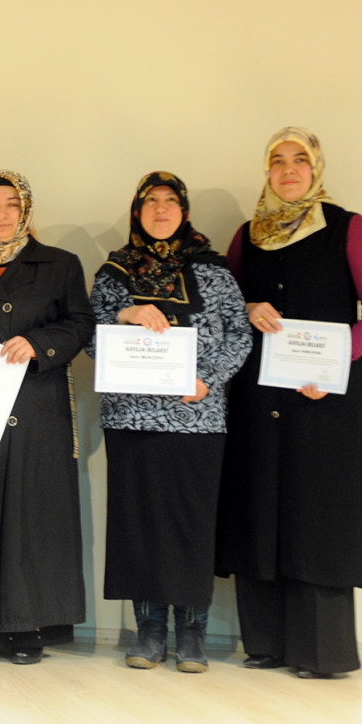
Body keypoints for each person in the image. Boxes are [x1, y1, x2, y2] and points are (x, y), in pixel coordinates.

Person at [216, 127, 362, 678]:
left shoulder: (348, 228)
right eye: (277, 160)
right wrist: (249, 308)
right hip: (259, 398)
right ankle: (265, 644)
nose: (288, 169)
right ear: (267, 171)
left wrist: (334, 366)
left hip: (324, 401)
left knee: (318, 517)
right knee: (261, 508)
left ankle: (322, 653)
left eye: (299, 159)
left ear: (316, 168)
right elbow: (227, 307)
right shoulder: (247, 235)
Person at [89, 171, 252, 672]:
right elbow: (91, 339)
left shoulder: (214, 271)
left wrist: (208, 381)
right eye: (151, 201)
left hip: (197, 419)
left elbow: (240, 335)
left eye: (170, 201)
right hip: (131, 419)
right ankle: (150, 631)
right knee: (140, 526)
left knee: (191, 525)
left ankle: (193, 633)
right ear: (137, 211)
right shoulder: (115, 273)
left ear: (184, 210)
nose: (161, 210)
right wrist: (126, 315)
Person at [0, 171, 93, 665]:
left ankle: (28, 629)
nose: (2, 214)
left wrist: (39, 343)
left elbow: (81, 323)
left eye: (11, 204)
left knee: (33, 520)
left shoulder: (60, 264)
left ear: (25, 210)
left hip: (37, 410)